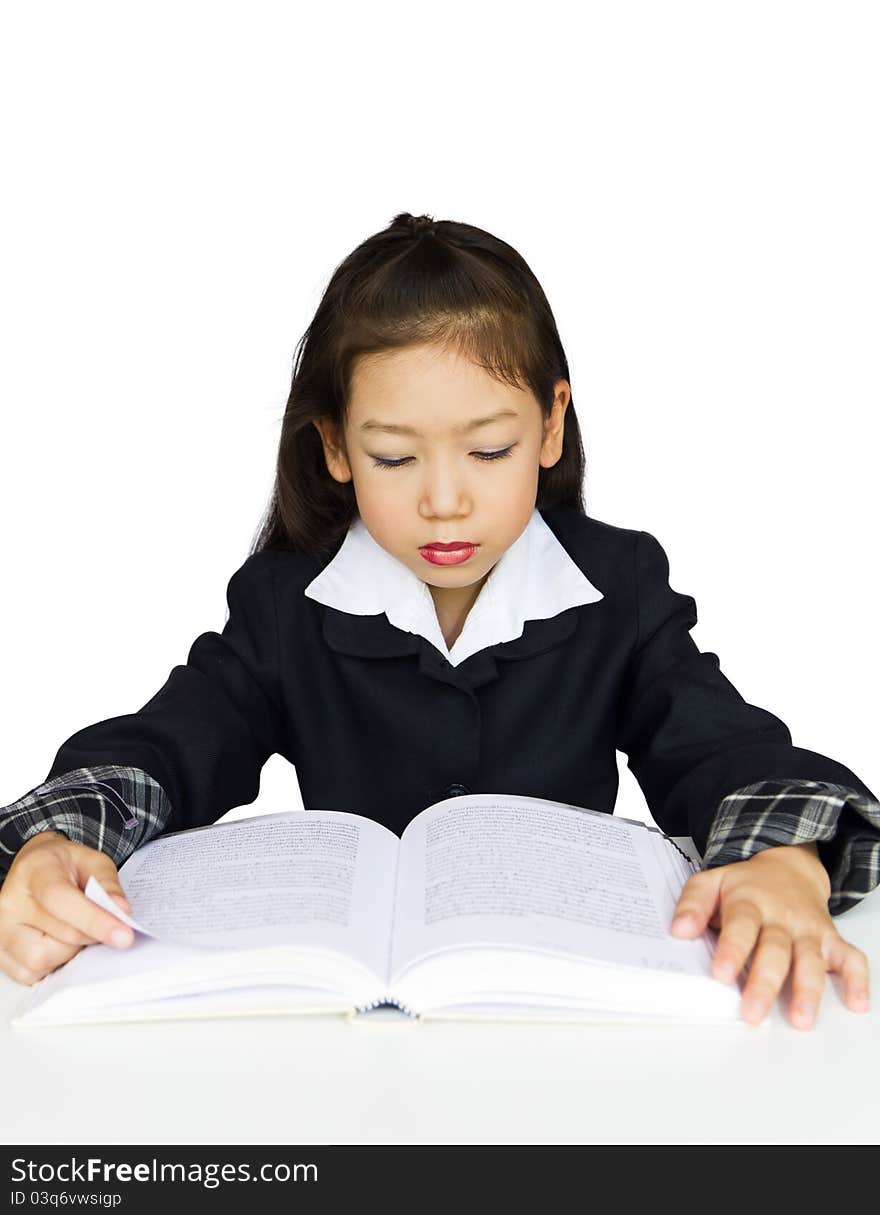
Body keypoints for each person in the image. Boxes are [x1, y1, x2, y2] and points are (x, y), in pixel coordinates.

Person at [0, 211, 877, 1032]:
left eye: (488, 450)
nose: (445, 500)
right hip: (349, 1026)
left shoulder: (619, 585)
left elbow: (720, 745)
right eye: (393, 456)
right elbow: (171, 742)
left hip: (566, 1010)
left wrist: (784, 859)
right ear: (336, 447)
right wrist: (59, 841)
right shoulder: (283, 602)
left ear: (550, 425)